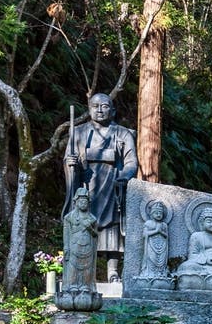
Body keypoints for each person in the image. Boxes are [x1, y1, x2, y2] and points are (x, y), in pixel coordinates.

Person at [64, 93, 138, 283]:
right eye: (95, 106)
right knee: (84, 229)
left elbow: (131, 163)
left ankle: (113, 271)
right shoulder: (78, 132)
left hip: (112, 189)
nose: (99, 110)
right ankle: (85, 271)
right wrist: (70, 163)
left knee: (113, 231)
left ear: (112, 110)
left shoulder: (123, 133)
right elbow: (69, 160)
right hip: (86, 189)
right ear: (88, 110)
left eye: (104, 106)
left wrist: (124, 177)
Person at [62, 187, 98, 291]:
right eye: (81, 201)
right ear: (76, 202)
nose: (83, 203)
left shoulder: (92, 219)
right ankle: (72, 285)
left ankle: (85, 285)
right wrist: (66, 247)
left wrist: (90, 229)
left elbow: (95, 235)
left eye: (85, 201)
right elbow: (66, 234)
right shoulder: (69, 218)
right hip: (74, 246)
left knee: (87, 267)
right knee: (73, 267)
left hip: (88, 246)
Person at [139, 201, 170, 278]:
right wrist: (156, 231)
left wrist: (161, 232)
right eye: (156, 213)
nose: (159, 215)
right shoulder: (148, 223)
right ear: (151, 214)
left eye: (160, 213)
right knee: (151, 259)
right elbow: (145, 234)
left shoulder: (164, 225)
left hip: (162, 245)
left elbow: (166, 236)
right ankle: (150, 273)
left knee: (162, 262)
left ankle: (161, 273)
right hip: (151, 245)